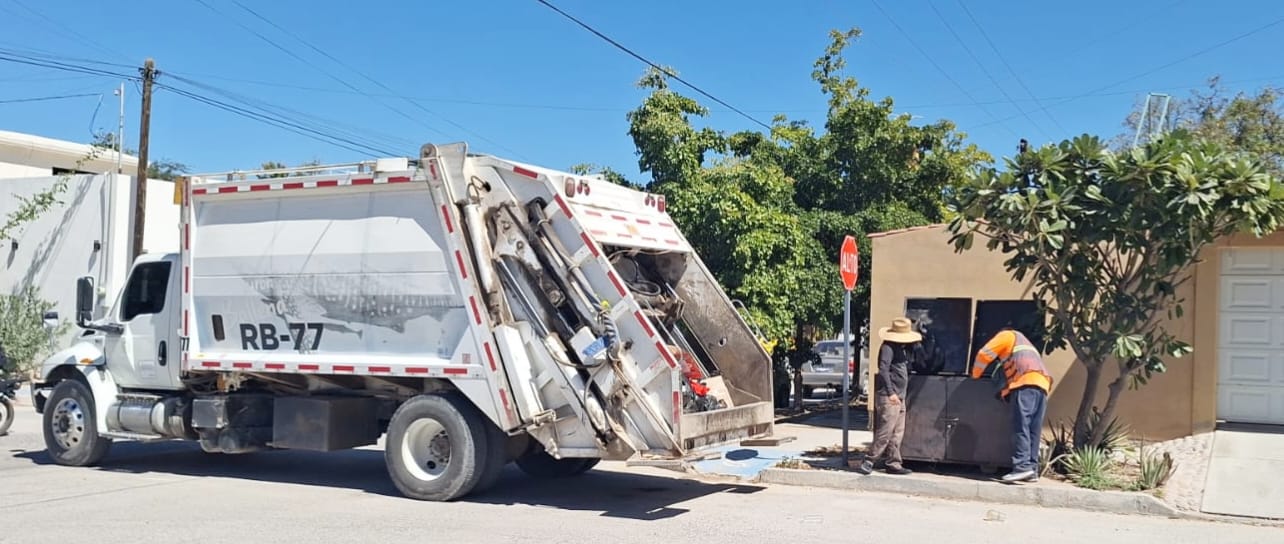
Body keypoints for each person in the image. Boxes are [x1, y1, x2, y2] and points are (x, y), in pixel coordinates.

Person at [971, 328, 1054, 483]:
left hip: (1024, 384)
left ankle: (1021, 467)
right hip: (1042, 385)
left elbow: (984, 354)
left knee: (1020, 426)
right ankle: (1032, 469)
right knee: (1033, 430)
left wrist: (975, 374)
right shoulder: (1025, 343)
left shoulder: (1006, 336)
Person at [855, 317, 922, 475]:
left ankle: (893, 462)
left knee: (897, 432)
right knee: (885, 431)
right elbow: (883, 369)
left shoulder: (901, 349)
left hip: (899, 396)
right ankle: (869, 460)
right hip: (890, 396)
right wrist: (891, 392)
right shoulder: (888, 348)